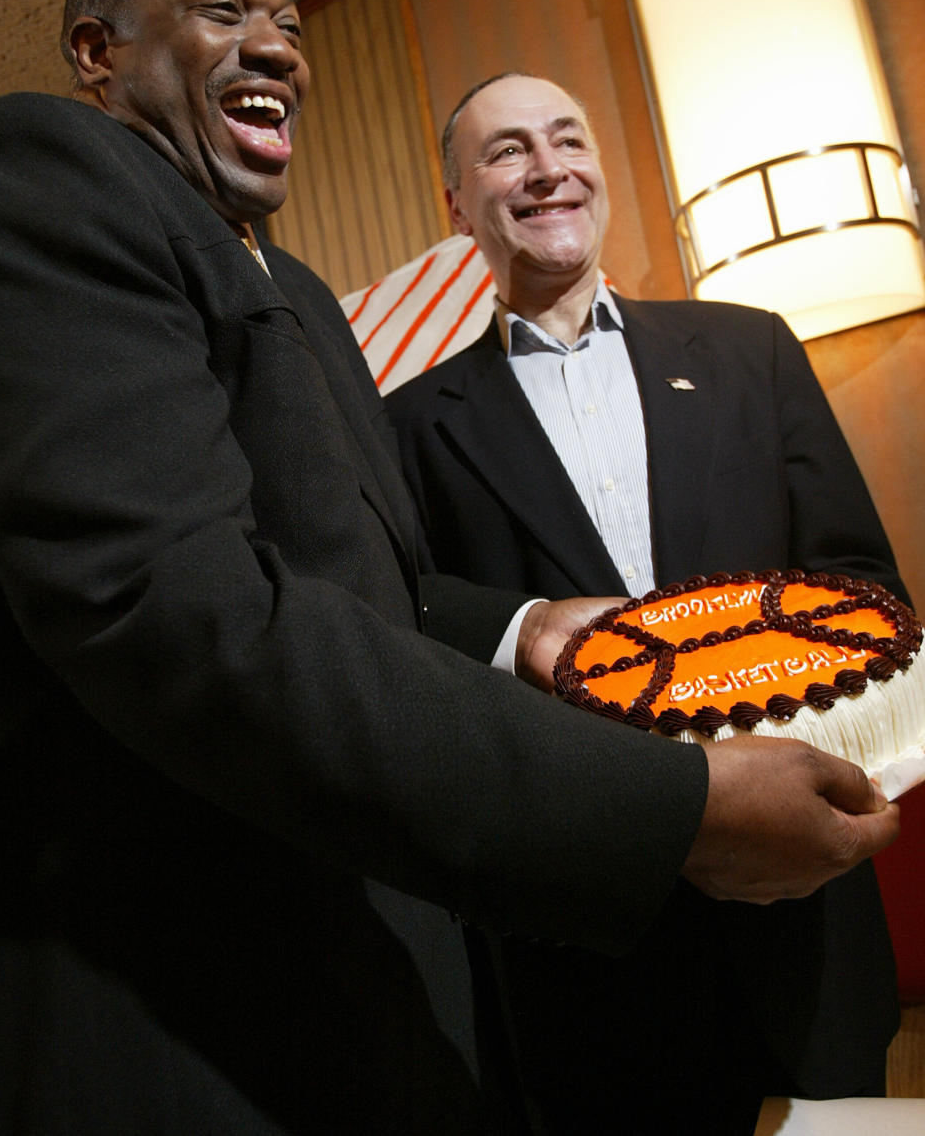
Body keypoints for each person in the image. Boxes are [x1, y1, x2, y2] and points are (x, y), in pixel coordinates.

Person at [0, 0, 898, 1136]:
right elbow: (180, 609)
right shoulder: (44, 171)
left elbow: (374, 595)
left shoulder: (293, 291)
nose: (278, 46)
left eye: (290, 23)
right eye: (222, 9)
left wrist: (526, 628)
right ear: (98, 50)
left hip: (393, 998)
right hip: (190, 1017)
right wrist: (664, 810)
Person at [387, 72, 909, 1133]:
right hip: (592, 943)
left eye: (566, 139)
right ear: (456, 205)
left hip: (804, 908)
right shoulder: (410, 426)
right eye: (506, 152)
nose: (546, 169)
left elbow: (865, 587)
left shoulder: (752, 349)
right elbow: (405, 623)